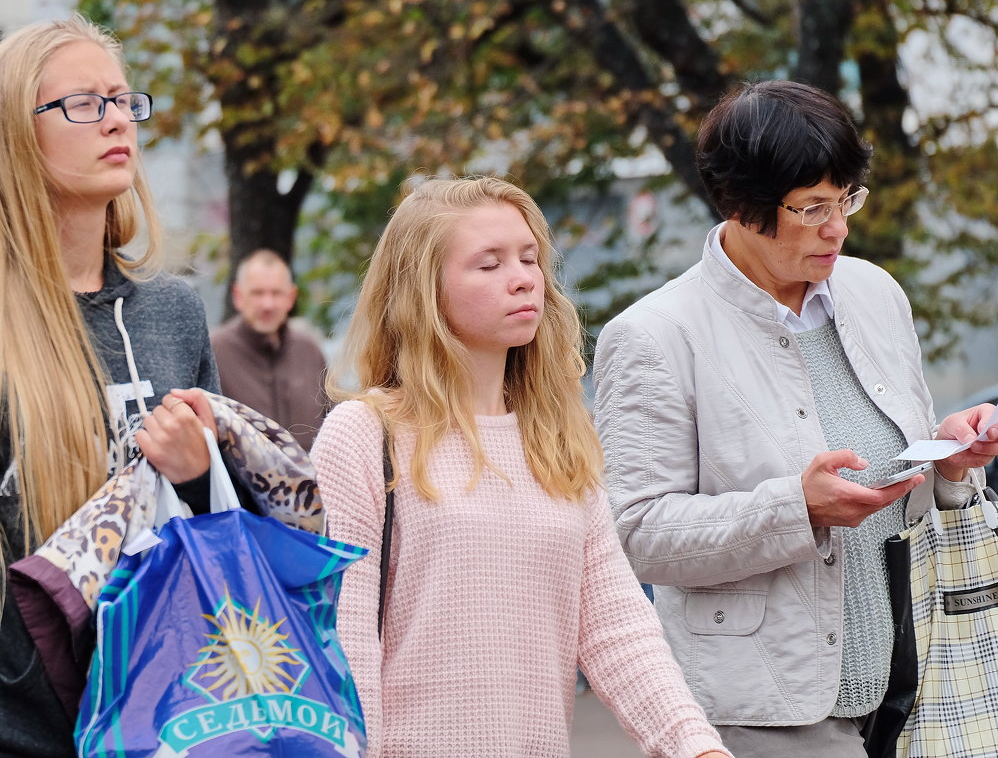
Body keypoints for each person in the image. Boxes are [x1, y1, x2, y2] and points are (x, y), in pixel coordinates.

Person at [592, 79, 998, 757]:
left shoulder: (874, 292)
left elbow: (903, 481)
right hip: (766, 715)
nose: (836, 227)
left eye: (845, 199)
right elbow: (635, 534)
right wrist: (795, 509)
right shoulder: (655, 336)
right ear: (743, 208)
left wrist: (948, 459)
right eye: (811, 208)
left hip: (918, 691)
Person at [0, 16, 220, 758]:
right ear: (8, 138)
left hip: (161, 730)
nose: (118, 119)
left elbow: (222, 541)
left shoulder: (172, 313)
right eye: (84, 103)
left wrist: (205, 473)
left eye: (123, 99)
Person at [311, 177, 731, 758]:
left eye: (530, 258)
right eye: (489, 265)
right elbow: (343, 637)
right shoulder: (363, 434)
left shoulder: (558, 439)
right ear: (423, 289)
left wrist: (694, 745)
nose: (523, 277)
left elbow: (617, 626)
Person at [211, 248, 328, 450]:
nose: (267, 304)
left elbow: (330, 424)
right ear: (238, 296)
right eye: (257, 293)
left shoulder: (309, 351)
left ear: (291, 297)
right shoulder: (215, 352)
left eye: (276, 293)